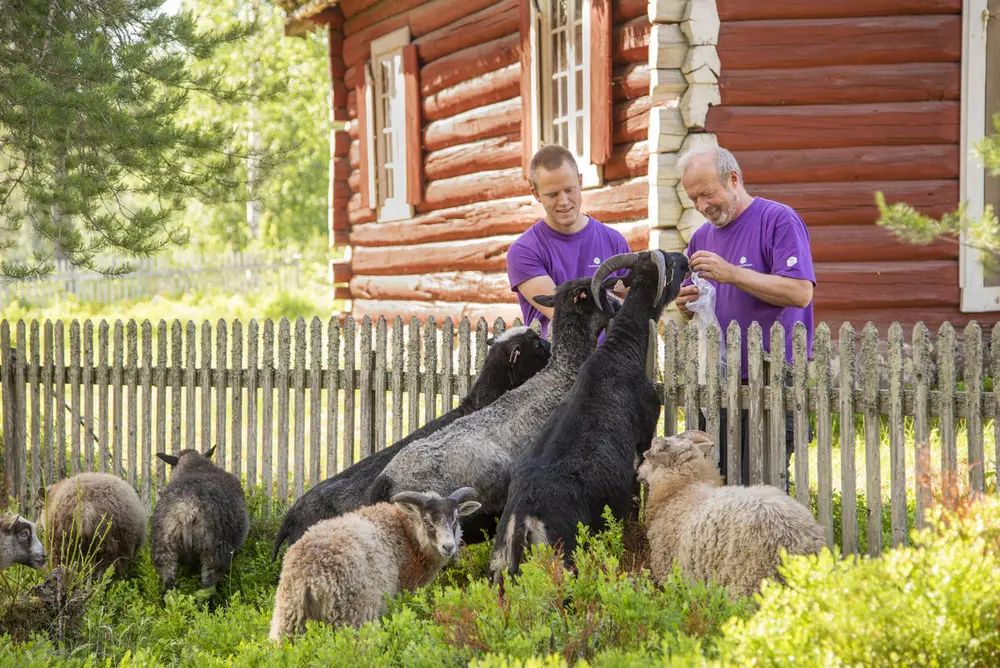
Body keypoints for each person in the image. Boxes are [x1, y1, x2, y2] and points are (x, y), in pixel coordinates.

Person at [674, 145, 816, 488]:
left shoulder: (778, 220)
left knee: (764, 482)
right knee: (724, 481)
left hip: (772, 374)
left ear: (733, 179)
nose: (701, 207)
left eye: (707, 194)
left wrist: (732, 274)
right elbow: (701, 309)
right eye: (693, 199)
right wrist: (685, 303)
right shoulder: (700, 239)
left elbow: (800, 292)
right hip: (720, 379)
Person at [505, 144, 632, 338]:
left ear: (580, 181)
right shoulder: (524, 251)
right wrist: (611, 299)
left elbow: (633, 302)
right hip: (557, 365)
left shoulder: (614, 241)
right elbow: (564, 313)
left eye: (569, 190)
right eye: (553, 194)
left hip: (610, 364)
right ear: (536, 194)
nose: (564, 201)